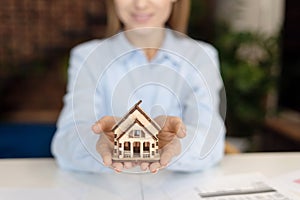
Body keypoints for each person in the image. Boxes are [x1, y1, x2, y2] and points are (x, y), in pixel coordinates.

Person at [51, 0, 225, 173]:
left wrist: (177, 144)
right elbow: (65, 143)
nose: (140, 4)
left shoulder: (200, 56)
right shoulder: (87, 57)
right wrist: (97, 142)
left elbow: (212, 140)